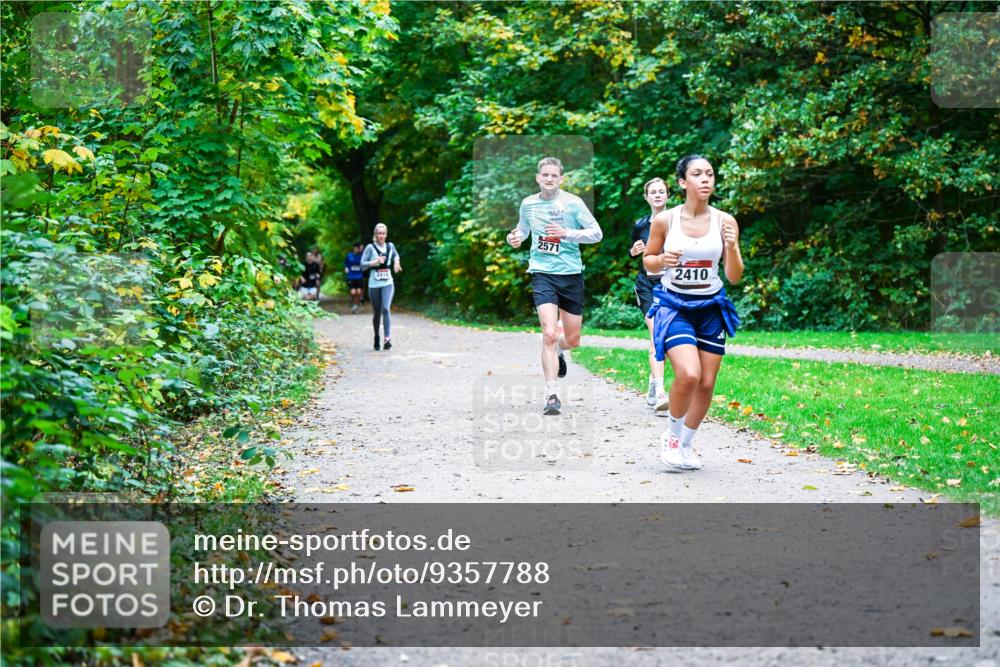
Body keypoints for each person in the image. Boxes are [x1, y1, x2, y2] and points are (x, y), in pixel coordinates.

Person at [642, 155, 743, 471]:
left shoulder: (725, 221)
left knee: (707, 382)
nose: (705, 180)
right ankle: (671, 439)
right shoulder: (665, 221)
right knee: (689, 373)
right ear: (683, 182)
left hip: (711, 307)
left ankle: (686, 444)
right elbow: (648, 261)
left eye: (710, 174)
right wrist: (662, 261)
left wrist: (734, 246)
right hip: (674, 306)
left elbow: (734, 275)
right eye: (697, 174)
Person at [506, 157, 603, 415]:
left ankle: (560, 349)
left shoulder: (573, 203)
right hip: (542, 273)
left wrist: (567, 234)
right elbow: (522, 231)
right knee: (549, 333)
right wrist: (513, 237)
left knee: (572, 339)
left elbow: (597, 233)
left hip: (571, 275)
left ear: (560, 178)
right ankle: (551, 394)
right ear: (538, 178)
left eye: (554, 175)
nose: (549, 179)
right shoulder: (528, 204)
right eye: (545, 175)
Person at [630, 177, 670, 413]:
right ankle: (661, 392)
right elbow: (633, 251)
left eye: (661, 191)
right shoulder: (640, 225)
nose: (657, 195)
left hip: (671, 285)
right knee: (657, 335)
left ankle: (653, 384)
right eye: (653, 192)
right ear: (647, 197)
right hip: (647, 285)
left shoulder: (677, 221)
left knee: (668, 338)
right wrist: (634, 251)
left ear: (667, 195)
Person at [360, 223, 402, 350]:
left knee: (386, 308)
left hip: (387, 282)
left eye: (383, 233)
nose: (381, 236)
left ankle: (387, 338)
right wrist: (375, 261)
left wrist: (396, 263)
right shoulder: (370, 248)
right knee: (377, 313)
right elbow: (362, 265)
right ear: (375, 234)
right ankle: (377, 336)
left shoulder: (390, 246)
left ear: (386, 234)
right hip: (374, 284)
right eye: (379, 233)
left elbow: (396, 255)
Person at [344, 242, 365, 313]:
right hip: (351, 276)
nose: (357, 249)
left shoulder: (362, 256)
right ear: (353, 248)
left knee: (358, 292)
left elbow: (365, 263)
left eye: (358, 248)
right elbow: (346, 263)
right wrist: (346, 268)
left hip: (359, 276)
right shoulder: (349, 256)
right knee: (353, 292)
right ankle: (353, 301)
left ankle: (356, 306)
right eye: (355, 248)